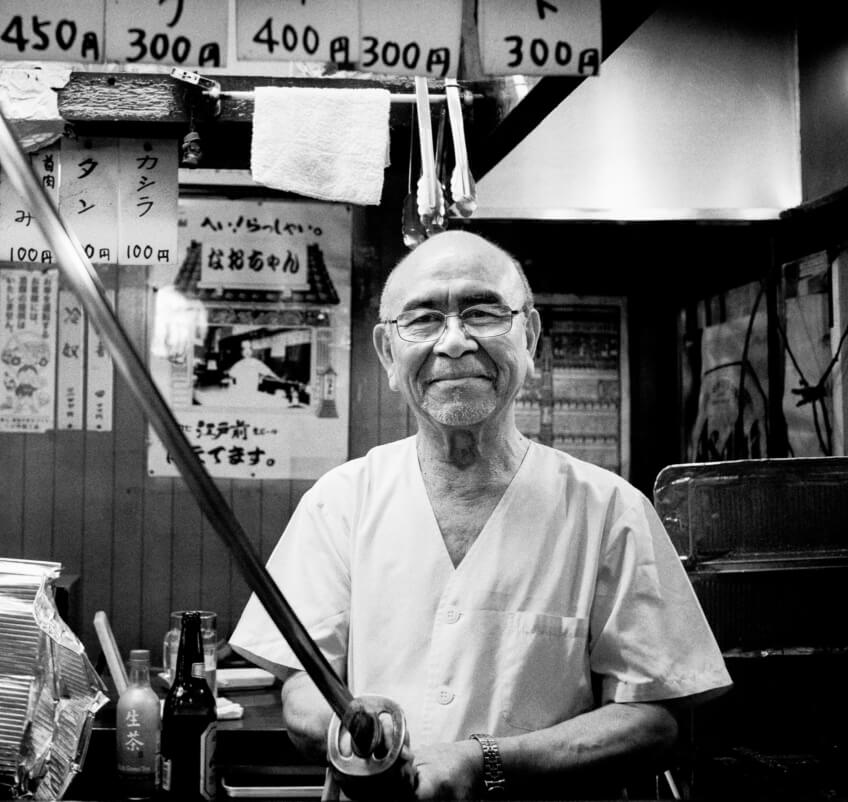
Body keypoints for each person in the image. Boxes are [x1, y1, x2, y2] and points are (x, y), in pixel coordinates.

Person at [230, 231, 731, 799]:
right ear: (388, 353)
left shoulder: (611, 510)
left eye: (484, 312)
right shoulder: (340, 501)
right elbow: (302, 686)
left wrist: (485, 761)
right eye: (421, 320)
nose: (454, 341)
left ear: (531, 337)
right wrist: (344, 728)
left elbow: (656, 720)